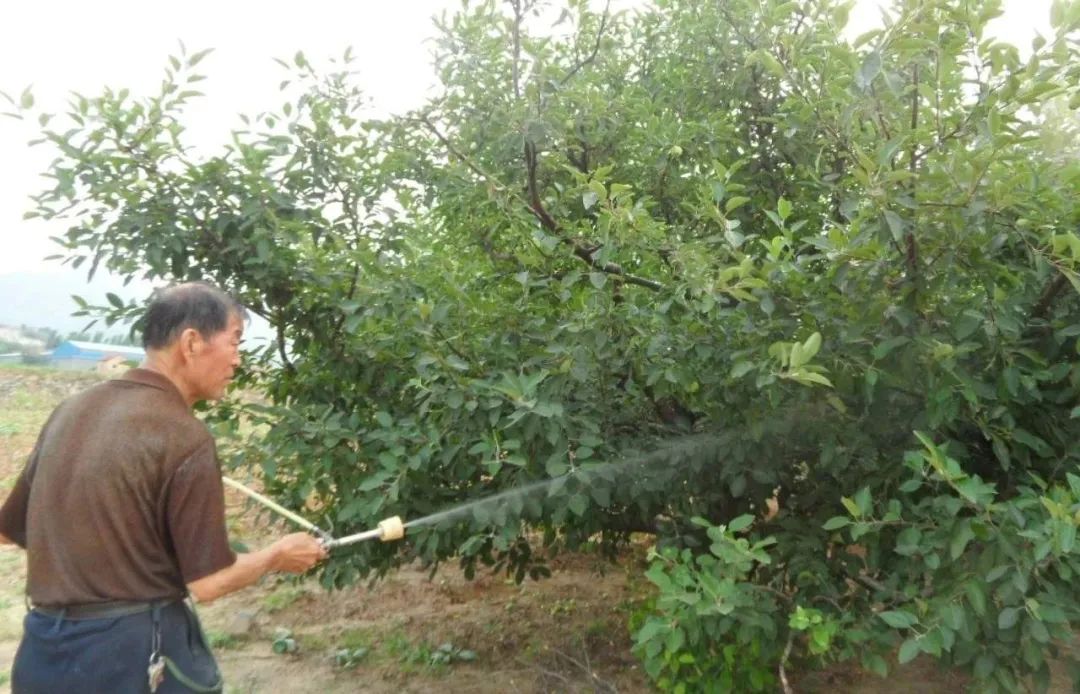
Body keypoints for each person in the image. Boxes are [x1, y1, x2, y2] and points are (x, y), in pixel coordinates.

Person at [0, 282, 326, 693]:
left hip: (42, 657)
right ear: (191, 342)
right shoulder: (183, 435)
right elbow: (210, 582)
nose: (238, 360)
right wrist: (276, 554)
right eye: (234, 342)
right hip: (130, 662)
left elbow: (7, 530)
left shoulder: (70, 411)